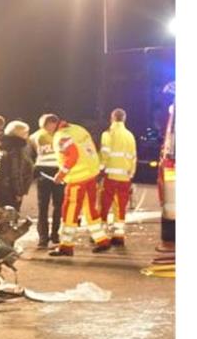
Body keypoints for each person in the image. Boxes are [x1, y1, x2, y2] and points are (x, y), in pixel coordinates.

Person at [44, 114, 110, 256]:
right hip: (90, 174)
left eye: (46, 128)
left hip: (77, 179)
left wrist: (61, 175)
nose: (47, 131)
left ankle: (66, 246)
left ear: (51, 124)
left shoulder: (61, 136)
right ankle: (102, 240)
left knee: (70, 211)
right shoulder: (78, 129)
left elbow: (72, 156)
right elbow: (90, 149)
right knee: (90, 209)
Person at [99, 108, 137, 246]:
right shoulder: (130, 136)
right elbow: (133, 157)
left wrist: (100, 168)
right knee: (120, 207)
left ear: (112, 118)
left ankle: (101, 234)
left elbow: (105, 154)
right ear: (124, 119)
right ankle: (119, 235)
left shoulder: (108, 133)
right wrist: (131, 173)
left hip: (110, 175)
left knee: (104, 205)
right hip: (125, 177)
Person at [29, 114, 64, 248]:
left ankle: (55, 234)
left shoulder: (59, 136)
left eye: (54, 123)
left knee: (58, 206)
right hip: (44, 173)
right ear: (44, 124)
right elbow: (31, 155)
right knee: (43, 207)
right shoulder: (34, 137)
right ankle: (43, 237)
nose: (53, 126)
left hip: (58, 173)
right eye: (50, 123)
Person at [0, 120, 34, 210]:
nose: (27, 135)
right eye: (26, 132)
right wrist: (18, 192)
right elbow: (15, 172)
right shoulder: (16, 149)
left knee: (1, 215)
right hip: (9, 189)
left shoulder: (4, 145)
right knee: (10, 217)